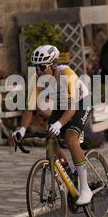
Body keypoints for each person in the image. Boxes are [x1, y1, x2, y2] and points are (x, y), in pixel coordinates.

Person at [12, 45, 93, 206]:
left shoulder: (66, 74)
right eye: (35, 67)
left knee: (71, 138)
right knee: (50, 139)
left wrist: (59, 123)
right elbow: (30, 107)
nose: (38, 71)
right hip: (61, 104)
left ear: (54, 64)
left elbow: (72, 109)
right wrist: (21, 129)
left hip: (80, 102)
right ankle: (69, 172)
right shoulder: (38, 79)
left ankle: (85, 189)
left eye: (42, 66)